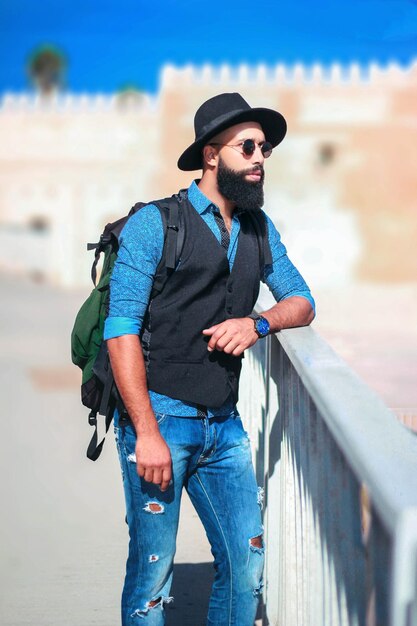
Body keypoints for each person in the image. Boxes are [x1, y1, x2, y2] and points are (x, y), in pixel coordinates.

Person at [104, 92, 315, 626]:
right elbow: (121, 330)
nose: (260, 157)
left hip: (225, 426)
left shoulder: (259, 229)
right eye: (247, 146)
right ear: (212, 155)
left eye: (263, 147)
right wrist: (147, 432)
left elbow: (302, 300)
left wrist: (258, 322)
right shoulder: (157, 224)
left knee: (246, 569)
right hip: (159, 419)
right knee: (152, 577)